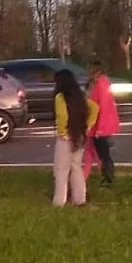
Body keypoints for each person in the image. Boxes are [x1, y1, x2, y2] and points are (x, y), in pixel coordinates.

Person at [52, 69, 99, 207]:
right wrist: (89, 125)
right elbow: (95, 108)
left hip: (66, 136)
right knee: (76, 167)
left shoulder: (60, 97)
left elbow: (62, 116)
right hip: (80, 135)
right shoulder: (80, 96)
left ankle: (59, 201)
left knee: (61, 170)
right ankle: (79, 199)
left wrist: (62, 131)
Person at [87, 61, 120, 187]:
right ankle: (105, 177)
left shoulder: (101, 83)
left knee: (104, 154)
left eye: (90, 69)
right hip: (98, 125)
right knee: (101, 154)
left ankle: (108, 179)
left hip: (101, 126)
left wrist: (100, 129)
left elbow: (103, 106)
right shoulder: (97, 83)